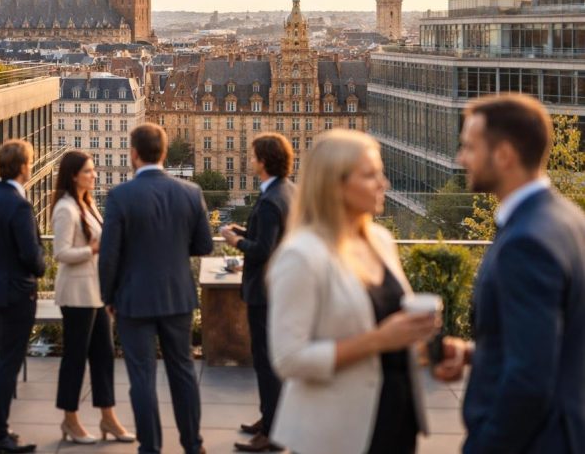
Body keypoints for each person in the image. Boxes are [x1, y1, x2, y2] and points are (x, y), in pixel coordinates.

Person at [267, 130, 436, 454]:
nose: (383, 183)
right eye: (370, 175)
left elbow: (390, 321)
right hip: (337, 432)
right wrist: (378, 340)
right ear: (335, 184)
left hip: (396, 419)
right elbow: (288, 359)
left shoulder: (380, 240)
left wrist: (430, 346)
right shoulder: (301, 255)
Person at [434, 94, 585, 454]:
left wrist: (484, 446)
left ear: (503, 154)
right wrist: (478, 353)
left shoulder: (526, 243)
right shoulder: (567, 219)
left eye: (469, 147)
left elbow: (529, 381)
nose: (461, 158)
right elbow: (552, 341)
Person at [99, 123, 213, 454]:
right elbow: (204, 245)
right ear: (164, 152)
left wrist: (108, 297)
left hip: (133, 298)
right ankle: (193, 444)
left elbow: (109, 256)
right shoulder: (191, 192)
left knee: (142, 377)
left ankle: (150, 447)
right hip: (177, 295)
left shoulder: (120, 196)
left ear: (134, 154)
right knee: (183, 372)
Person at [219, 133, 296, 453]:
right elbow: (272, 237)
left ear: (263, 161)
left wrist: (234, 240)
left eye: (253, 157)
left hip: (264, 291)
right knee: (272, 361)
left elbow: (263, 249)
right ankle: (270, 419)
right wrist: (244, 231)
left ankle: (273, 431)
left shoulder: (268, 200)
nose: (250, 161)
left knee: (266, 362)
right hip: (280, 286)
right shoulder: (288, 191)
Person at [50, 151, 134, 445]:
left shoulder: (87, 204)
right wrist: (92, 251)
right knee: (74, 359)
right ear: (74, 175)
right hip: (76, 294)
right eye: (88, 171)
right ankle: (70, 420)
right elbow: (60, 253)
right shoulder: (65, 208)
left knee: (103, 357)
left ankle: (108, 417)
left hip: (95, 293)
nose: (94, 175)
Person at [0, 139, 46, 454]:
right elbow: (32, 255)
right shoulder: (19, 205)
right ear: (22, 167)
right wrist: (41, 265)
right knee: (7, 363)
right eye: (30, 162)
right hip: (16, 291)